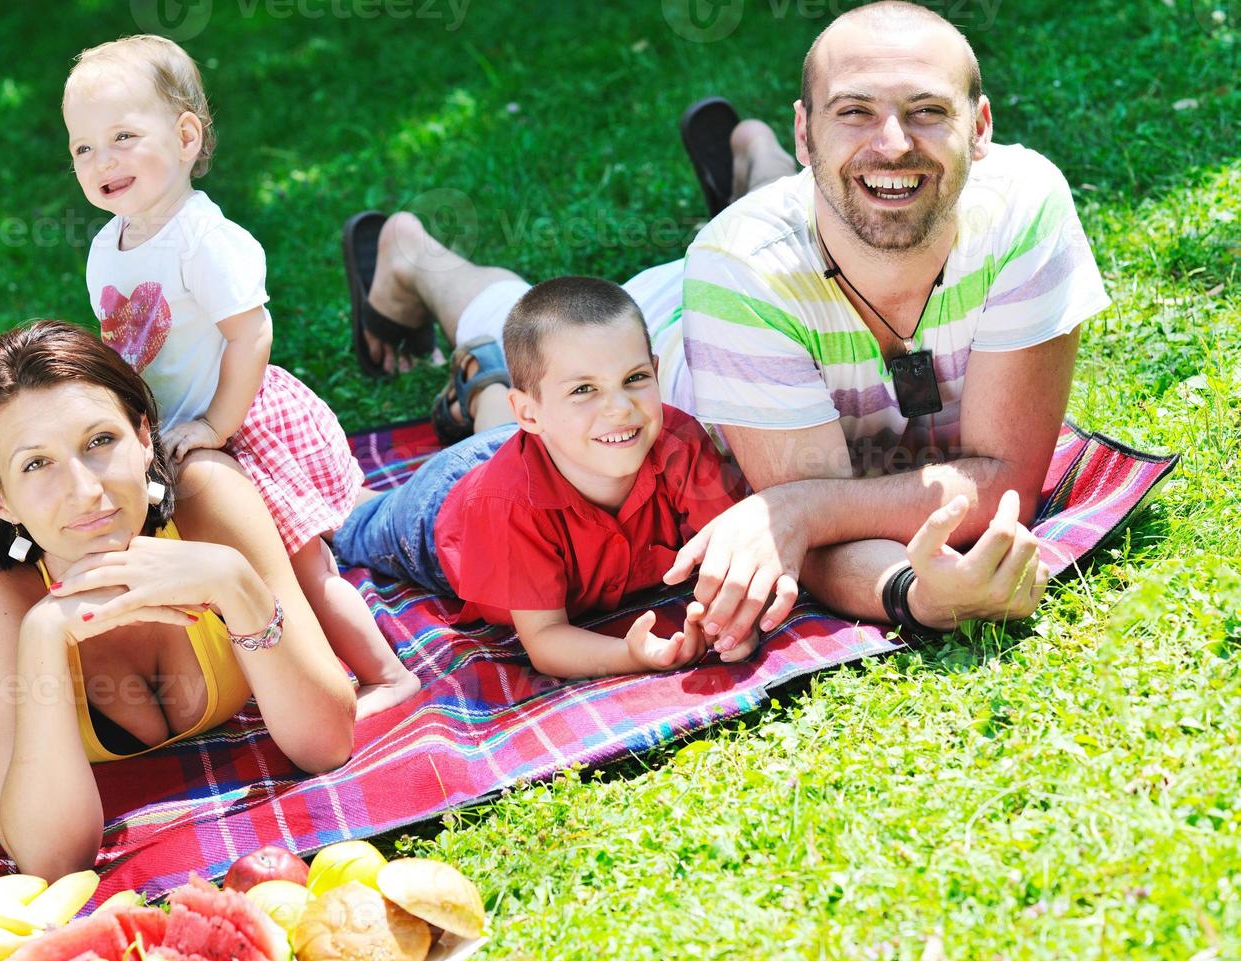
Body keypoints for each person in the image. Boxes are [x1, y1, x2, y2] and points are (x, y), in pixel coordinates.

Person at [343, 3, 1101, 647]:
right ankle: (415, 256)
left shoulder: (1023, 207)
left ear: (981, 127)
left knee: (867, 196)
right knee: (527, 349)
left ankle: (753, 157)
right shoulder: (739, 270)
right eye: (855, 111)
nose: (895, 140)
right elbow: (815, 540)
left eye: (928, 110)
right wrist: (914, 592)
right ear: (810, 133)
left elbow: (1003, 481)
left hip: (785, 265)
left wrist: (801, 504)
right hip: (667, 347)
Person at [64, 35, 418, 716]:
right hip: (184, 432)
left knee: (300, 570)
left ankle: (384, 674)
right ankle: (278, 666)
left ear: (187, 136)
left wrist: (215, 425)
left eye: (123, 136)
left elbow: (250, 333)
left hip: (243, 420)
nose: (101, 159)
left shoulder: (203, 238)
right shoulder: (106, 248)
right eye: (83, 147)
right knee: (230, 564)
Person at [0, 321, 357, 880]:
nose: (85, 490)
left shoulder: (207, 498)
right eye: (36, 464)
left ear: (144, 438)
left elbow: (328, 743)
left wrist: (234, 581)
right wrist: (44, 635)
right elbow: (51, 859)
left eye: (99, 442)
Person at [333, 276, 751, 678]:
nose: (620, 408)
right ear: (530, 412)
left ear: (655, 372)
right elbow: (547, 640)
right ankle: (482, 387)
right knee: (344, 521)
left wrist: (732, 628)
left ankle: (486, 382)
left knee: (510, 438)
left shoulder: (679, 444)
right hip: (442, 511)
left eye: (635, 378)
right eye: (584, 389)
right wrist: (631, 653)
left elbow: (734, 556)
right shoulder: (507, 506)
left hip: (552, 440)